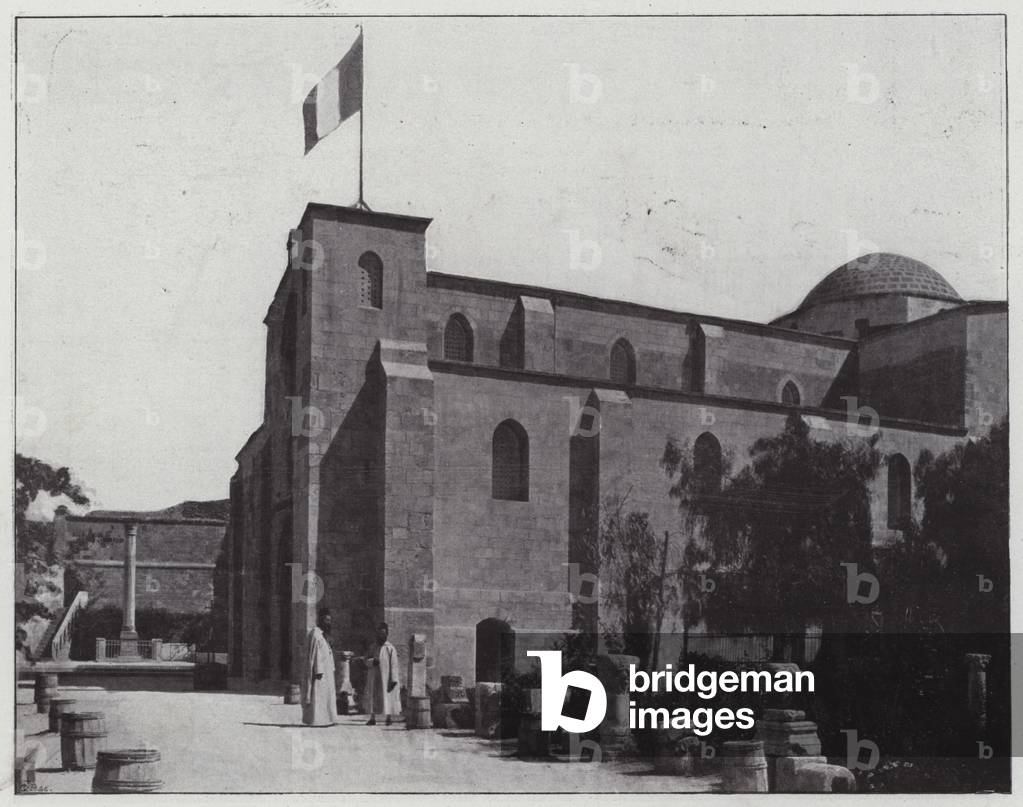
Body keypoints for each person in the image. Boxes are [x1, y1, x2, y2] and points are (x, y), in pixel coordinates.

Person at [302, 608, 338, 727]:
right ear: (321, 620)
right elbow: (315, 654)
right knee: (318, 696)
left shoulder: (322, 636)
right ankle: (316, 720)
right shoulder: (316, 634)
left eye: (330, 620)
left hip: (326, 672)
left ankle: (327, 719)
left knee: (326, 696)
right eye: (326, 620)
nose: (328, 623)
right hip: (320, 673)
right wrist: (318, 670)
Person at [363, 622, 401, 726]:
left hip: (386, 677)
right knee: (373, 696)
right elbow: (365, 660)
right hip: (374, 676)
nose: (381, 636)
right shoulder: (372, 647)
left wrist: (393, 679)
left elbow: (394, 665)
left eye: (383, 634)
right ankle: (372, 718)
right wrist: (371, 662)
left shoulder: (390, 648)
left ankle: (388, 718)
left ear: (386, 634)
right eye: (379, 634)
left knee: (387, 696)